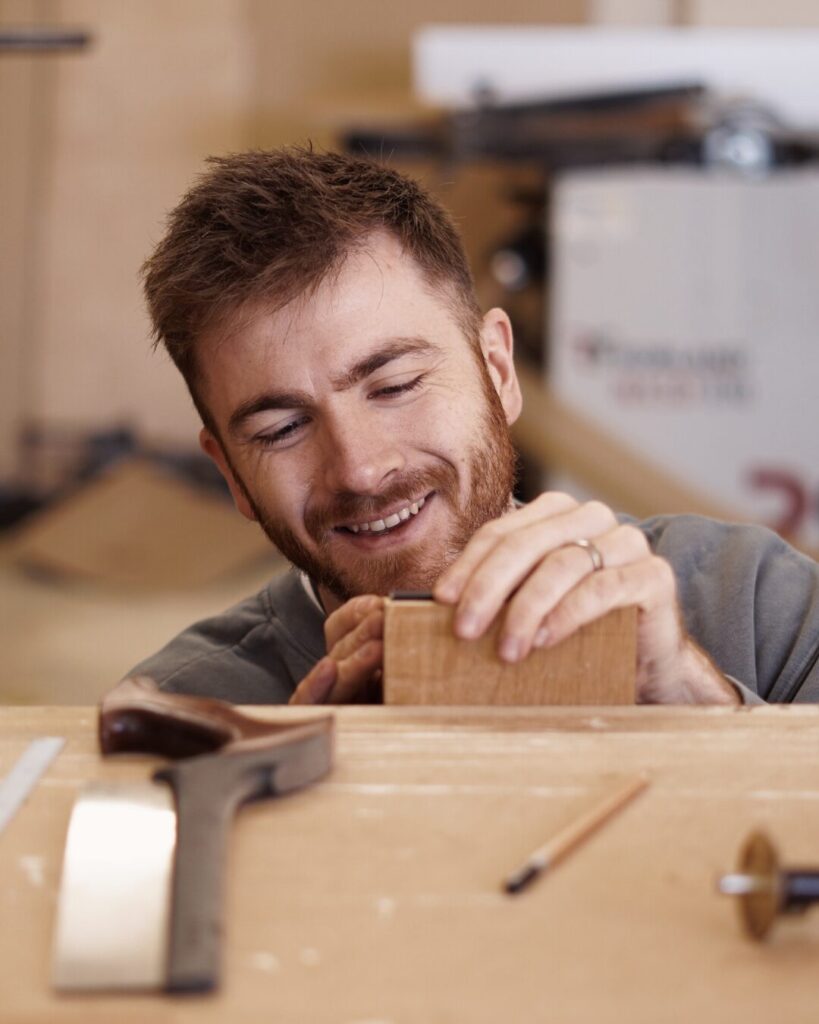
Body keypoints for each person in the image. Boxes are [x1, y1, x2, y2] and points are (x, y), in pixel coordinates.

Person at [130, 147, 819, 706]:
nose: (360, 469)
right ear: (231, 476)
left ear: (497, 369)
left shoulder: (753, 602)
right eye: (281, 429)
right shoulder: (188, 711)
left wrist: (689, 697)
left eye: (395, 386)